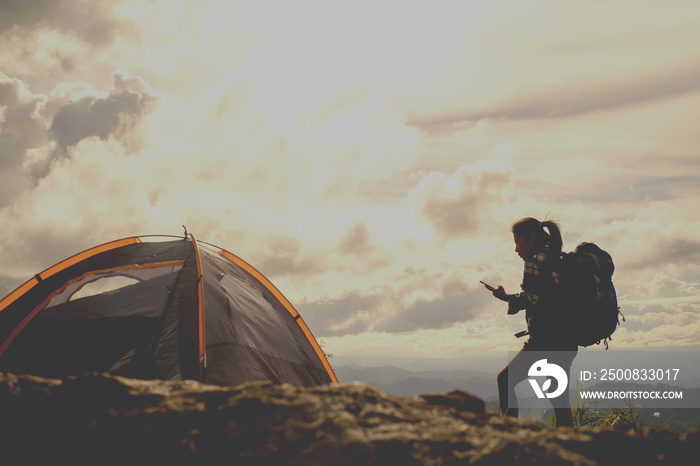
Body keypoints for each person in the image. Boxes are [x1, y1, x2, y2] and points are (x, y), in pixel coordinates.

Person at [480, 217, 577, 427]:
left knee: (505, 380)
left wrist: (506, 298)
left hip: (545, 340)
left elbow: (532, 298)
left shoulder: (534, 259)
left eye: (518, 242)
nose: (516, 249)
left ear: (531, 238)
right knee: (559, 399)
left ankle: (509, 434)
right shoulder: (557, 257)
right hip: (567, 339)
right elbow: (544, 296)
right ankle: (571, 446)